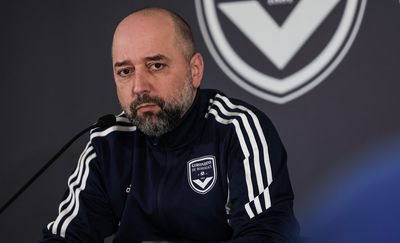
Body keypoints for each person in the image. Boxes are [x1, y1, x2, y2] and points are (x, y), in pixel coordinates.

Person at [41, 7, 299, 243]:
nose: (139, 86)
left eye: (156, 65)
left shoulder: (236, 128)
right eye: (125, 71)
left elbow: (267, 232)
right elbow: (65, 238)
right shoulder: (108, 142)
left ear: (194, 70)